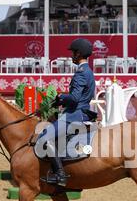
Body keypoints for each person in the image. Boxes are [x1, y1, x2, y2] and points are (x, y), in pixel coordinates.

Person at [39, 38, 96, 186]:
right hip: (81, 111)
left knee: (45, 137)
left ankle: (60, 175)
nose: (72, 56)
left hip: (75, 114)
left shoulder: (81, 73)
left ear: (79, 53)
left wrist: (61, 97)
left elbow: (75, 98)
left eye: (73, 53)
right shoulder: (88, 71)